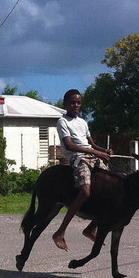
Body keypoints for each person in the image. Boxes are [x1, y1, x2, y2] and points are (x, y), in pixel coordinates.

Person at [52, 89, 111, 251]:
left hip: (92, 156)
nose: (75, 105)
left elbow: (91, 144)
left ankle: (91, 228)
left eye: (78, 102)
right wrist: (96, 152)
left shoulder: (83, 122)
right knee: (85, 191)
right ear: (65, 104)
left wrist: (103, 150)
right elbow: (70, 145)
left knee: (111, 189)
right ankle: (60, 232)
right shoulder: (62, 122)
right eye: (72, 102)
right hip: (78, 158)